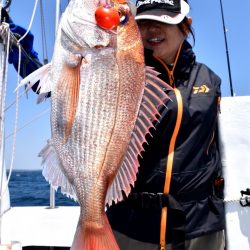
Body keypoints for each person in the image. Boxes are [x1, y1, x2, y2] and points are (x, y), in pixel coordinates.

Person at [106, 0, 225, 249]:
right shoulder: (121, 76)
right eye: (145, 23)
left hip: (198, 226)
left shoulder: (210, 80)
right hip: (131, 225)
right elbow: (73, 97)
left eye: (162, 22)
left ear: (185, 25)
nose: (152, 31)